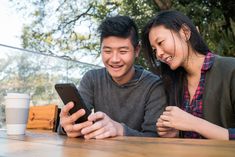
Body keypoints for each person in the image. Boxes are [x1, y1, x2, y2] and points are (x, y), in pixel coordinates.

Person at [58, 15, 166, 139]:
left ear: (137, 50)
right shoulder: (92, 79)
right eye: (108, 51)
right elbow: (74, 122)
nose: (114, 59)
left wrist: (120, 130)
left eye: (123, 51)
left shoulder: (154, 86)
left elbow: (155, 138)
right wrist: (66, 127)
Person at [141, 10, 235, 140]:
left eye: (161, 43)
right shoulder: (172, 83)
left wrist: (194, 123)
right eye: (155, 50)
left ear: (185, 32)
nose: (158, 54)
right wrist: (176, 133)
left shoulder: (230, 69)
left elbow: (192, 124)